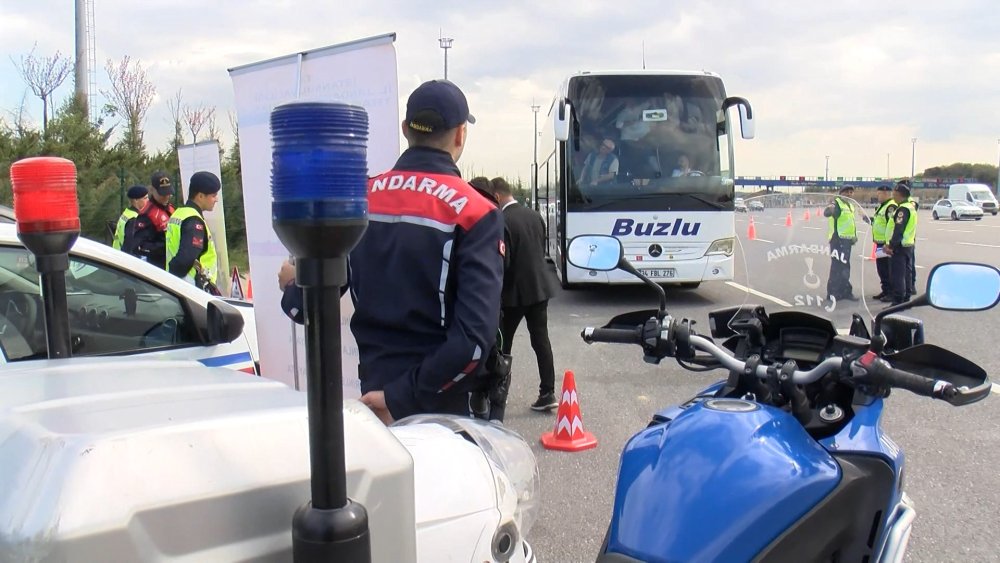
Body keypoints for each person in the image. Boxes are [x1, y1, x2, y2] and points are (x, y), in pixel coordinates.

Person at [280, 80, 505, 425]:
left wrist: (293, 285)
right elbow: (473, 342)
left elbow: (305, 307)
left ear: (406, 129)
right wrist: (402, 397)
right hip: (438, 405)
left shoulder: (359, 200)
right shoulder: (476, 212)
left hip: (374, 396)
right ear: (461, 134)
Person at [489, 177, 559, 412]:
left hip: (513, 294)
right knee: (541, 340)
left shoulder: (502, 220)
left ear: (497, 197)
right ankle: (548, 392)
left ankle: (498, 394)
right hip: (540, 289)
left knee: (502, 345)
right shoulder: (534, 215)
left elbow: (504, 262)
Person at [165, 171, 222, 294]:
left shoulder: (179, 213)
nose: (216, 199)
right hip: (191, 287)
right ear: (200, 196)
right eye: (213, 195)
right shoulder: (193, 220)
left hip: (177, 284)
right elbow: (185, 258)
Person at [123, 171, 176, 269]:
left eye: (168, 193)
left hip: (172, 265)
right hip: (158, 267)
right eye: (162, 194)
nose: (166, 197)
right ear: (152, 190)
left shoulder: (171, 208)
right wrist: (166, 247)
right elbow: (139, 246)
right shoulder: (147, 214)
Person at [823, 186, 858, 302]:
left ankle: (845, 291)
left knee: (845, 266)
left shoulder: (850, 205)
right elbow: (827, 212)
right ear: (841, 193)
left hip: (847, 240)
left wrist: (853, 236)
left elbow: (850, 222)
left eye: (851, 192)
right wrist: (830, 209)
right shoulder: (837, 203)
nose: (849, 194)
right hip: (837, 240)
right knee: (837, 267)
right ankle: (833, 293)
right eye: (847, 192)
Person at [884, 182, 917, 305]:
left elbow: (898, 230)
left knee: (897, 274)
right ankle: (906, 296)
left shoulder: (902, 209)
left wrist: (891, 246)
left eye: (895, 194)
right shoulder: (910, 207)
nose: (893, 197)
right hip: (909, 245)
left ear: (900, 195)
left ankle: (898, 299)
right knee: (907, 273)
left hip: (900, 247)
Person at [871, 185, 898, 300]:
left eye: (879, 194)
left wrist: (889, 243)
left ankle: (891, 292)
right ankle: (885, 290)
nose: (878, 196)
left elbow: (891, 226)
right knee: (882, 269)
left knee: (888, 269)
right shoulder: (882, 206)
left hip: (886, 244)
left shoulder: (890, 206)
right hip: (879, 243)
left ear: (886, 193)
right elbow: (879, 223)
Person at [112, 185, 149, 250]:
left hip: (117, 252)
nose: (148, 201)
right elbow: (130, 245)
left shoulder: (126, 213)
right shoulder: (134, 219)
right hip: (123, 257)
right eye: (145, 198)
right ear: (136, 200)